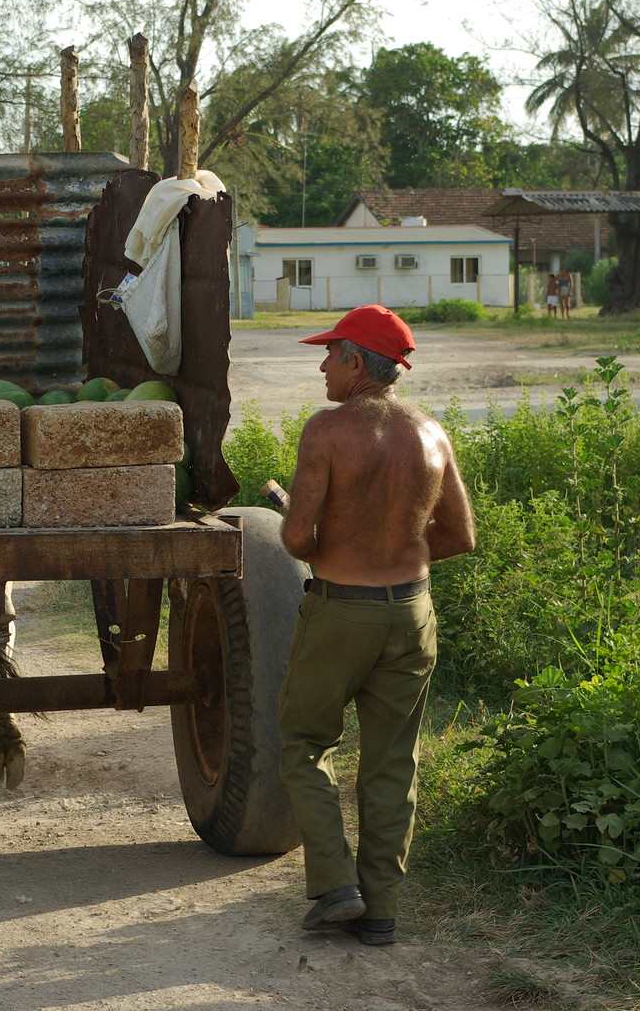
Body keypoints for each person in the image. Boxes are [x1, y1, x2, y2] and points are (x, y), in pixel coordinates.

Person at [276, 304, 476, 947]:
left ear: (358, 362)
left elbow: (298, 538)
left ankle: (336, 886)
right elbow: (461, 536)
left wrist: (325, 537)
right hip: (412, 613)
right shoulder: (432, 433)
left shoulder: (327, 430)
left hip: (341, 613)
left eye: (331, 353)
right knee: (392, 763)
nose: (322, 365)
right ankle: (382, 912)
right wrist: (397, 552)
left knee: (305, 743)